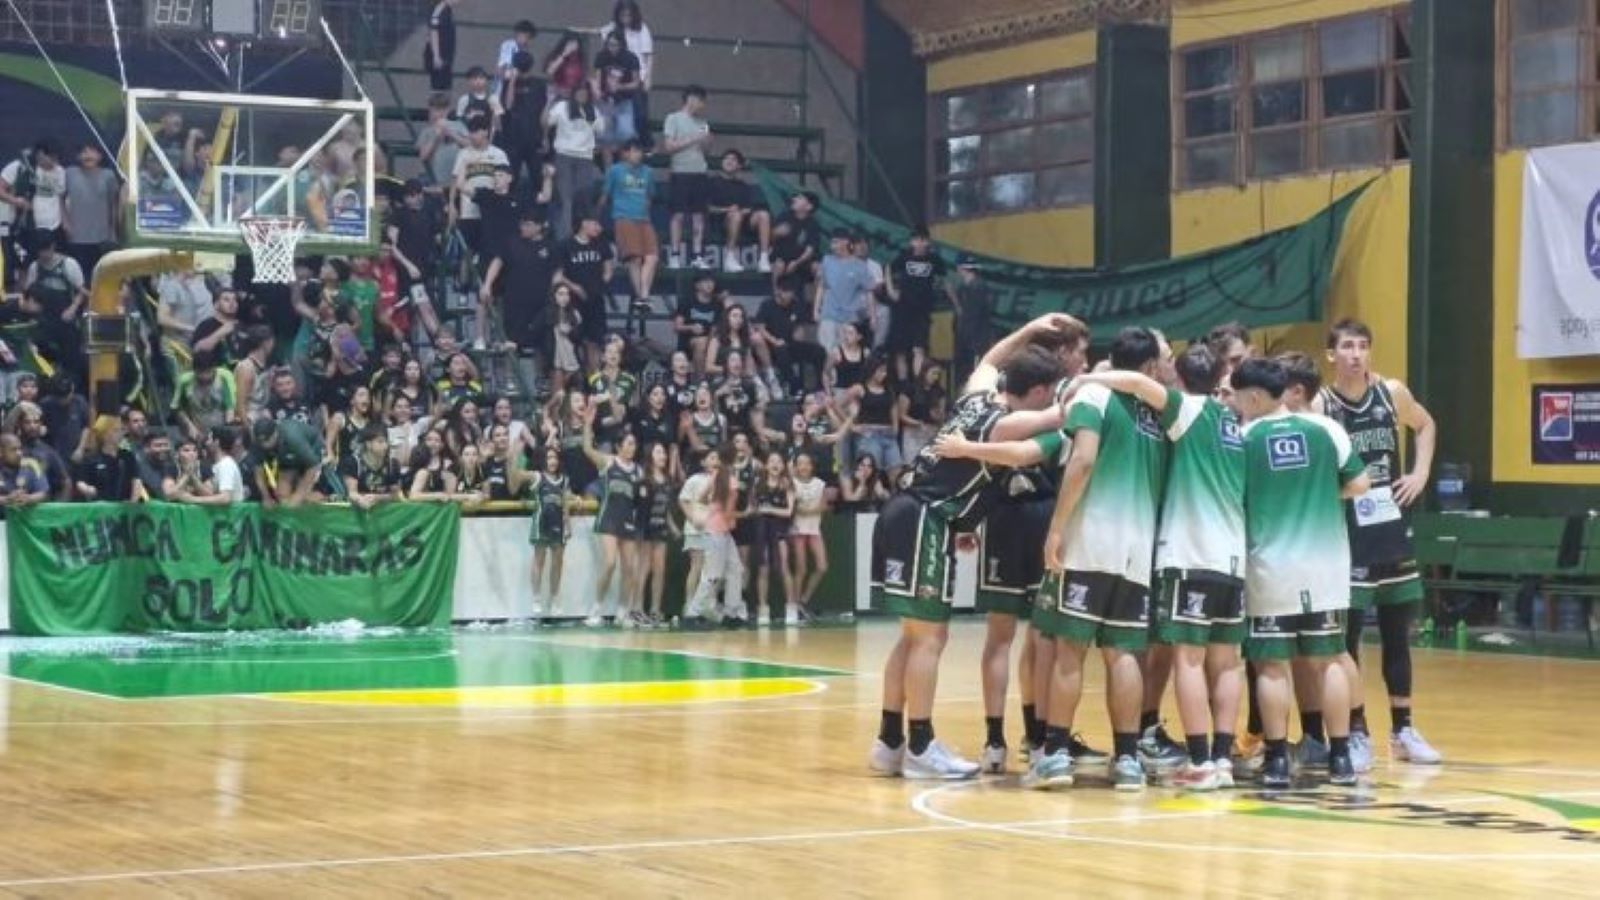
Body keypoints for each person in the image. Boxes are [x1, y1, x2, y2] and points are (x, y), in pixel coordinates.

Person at [867, 314, 1074, 780]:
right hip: (926, 519)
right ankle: (920, 745)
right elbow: (1062, 416)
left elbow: (990, 359)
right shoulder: (1004, 424)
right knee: (930, 638)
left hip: (902, 510)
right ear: (1039, 389)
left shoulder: (974, 398)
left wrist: (1030, 330)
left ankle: (889, 741)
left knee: (913, 635)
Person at [1070, 343, 1247, 791]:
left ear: (1181, 379)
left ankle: (1202, 761)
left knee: (1188, 660)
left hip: (1191, 554)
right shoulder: (1234, 423)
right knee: (1226, 663)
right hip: (1232, 557)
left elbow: (1136, 383)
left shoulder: (1187, 409)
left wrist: (1091, 379)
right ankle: (1224, 760)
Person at [1005, 327, 1175, 793]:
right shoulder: (1158, 414)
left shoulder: (1094, 397)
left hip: (1090, 539)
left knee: (1069, 648)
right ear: (1149, 368)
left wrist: (1056, 528)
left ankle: (1055, 754)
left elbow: (1081, 461)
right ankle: (1127, 759)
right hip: (1137, 547)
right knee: (1123, 653)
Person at [1233, 357, 1371, 789]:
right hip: (1327, 567)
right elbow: (1361, 483)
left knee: (1272, 665)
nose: (1236, 405)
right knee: (1328, 661)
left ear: (1255, 396)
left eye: (1238, 397)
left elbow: (1233, 498)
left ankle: (1276, 759)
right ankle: (1342, 758)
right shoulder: (1327, 429)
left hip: (1270, 568)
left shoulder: (1243, 438)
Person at [1314, 319, 1442, 765]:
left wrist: (1421, 472)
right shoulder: (1321, 405)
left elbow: (1425, 426)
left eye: (1363, 346)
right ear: (1331, 355)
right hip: (1347, 531)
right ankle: (1355, 729)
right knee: (1348, 640)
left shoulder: (1392, 393)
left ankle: (1403, 730)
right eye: (1347, 346)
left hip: (1391, 525)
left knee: (1397, 634)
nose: (1356, 354)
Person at [581, 409, 643, 627]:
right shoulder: (609, 462)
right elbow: (587, 449)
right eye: (628, 443)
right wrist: (588, 424)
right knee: (609, 563)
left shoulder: (638, 471)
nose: (631, 447)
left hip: (628, 520)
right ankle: (596, 608)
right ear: (619, 446)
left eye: (634, 444)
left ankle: (623, 612)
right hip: (608, 518)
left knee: (630, 568)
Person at [683, 444, 747, 627]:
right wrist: (744, 514)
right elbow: (728, 513)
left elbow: (702, 498)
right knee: (712, 574)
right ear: (734, 459)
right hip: (718, 531)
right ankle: (693, 613)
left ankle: (731, 612)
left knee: (735, 568)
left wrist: (714, 507)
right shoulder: (732, 482)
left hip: (719, 530)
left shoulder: (716, 476)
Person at [481, 210, 557, 354]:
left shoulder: (551, 246)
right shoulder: (512, 243)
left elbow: (558, 271)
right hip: (515, 303)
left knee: (541, 345)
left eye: (528, 225)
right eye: (522, 224)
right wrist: (487, 284)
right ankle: (510, 377)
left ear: (539, 226)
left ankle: (539, 376)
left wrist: (553, 293)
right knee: (511, 342)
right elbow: (497, 262)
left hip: (541, 304)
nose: (523, 228)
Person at [885, 228, 950, 382]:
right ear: (911, 242)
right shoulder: (903, 257)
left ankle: (918, 386)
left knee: (919, 348)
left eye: (923, 240)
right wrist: (891, 290)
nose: (920, 243)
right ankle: (903, 386)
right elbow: (888, 268)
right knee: (900, 351)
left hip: (923, 310)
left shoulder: (934, 259)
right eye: (916, 240)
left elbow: (944, 279)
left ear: (928, 242)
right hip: (903, 309)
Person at [600, 139, 660, 304]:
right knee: (634, 258)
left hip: (644, 220)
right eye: (634, 151)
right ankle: (642, 296)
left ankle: (644, 293)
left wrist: (645, 210)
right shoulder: (615, 170)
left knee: (652, 257)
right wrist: (597, 215)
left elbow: (650, 195)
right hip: (624, 218)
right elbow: (605, 195)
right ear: (625, 153)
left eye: (639, 151)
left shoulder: (648, 172)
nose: (637, 155)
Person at [555, 212, 616, 368]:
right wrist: (574, 287)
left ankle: (594, 380)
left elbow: (608, 269)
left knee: (595, 341)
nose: (599, 228)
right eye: (596, 224)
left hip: (595, 300)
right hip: (573, 301)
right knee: (573, 340)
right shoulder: (566, 245)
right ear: (584, 223)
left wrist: (601, 284)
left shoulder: (602, 245)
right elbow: (558, 276)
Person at [548, 83, 604, 248]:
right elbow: (547, 122)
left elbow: (601, 129)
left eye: (585, 93)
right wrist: (549, 101)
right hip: (564, 156)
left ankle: (583, 237)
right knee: (566, 200)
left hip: (585, 158)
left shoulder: (593, 109)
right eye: (579, 92)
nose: (582, 95)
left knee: (584, 199)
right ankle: (564, 239)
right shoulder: (562, 107)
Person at [663, 86, 714, 270]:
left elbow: (707, 151)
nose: (702, 105)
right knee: (677, 215)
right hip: (680, 172)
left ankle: (697, 255)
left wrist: (707, 141)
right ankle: (675, 254)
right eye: (701, 101)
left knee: (698, 216)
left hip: (700, 172)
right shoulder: (673, 118)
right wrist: (694, 139)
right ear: (691, 99)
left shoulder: (703, 122)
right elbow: (669, 147)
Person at [449, 116, 509, 260]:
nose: (472, 135)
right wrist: (452, 204)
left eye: (476, 131)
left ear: (485, 132)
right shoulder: (463, 154)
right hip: (468, 211)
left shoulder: (498, 154)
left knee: (488, 250)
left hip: (490, 212)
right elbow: (455, 181)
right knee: (467, 250)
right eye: (471, 131)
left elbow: (506, 180)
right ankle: (465, 282)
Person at [600, 1, 655, 147]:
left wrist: (648, 77)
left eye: (629, 14)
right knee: (616, 116)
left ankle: (645, 144)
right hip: (617, 78)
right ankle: (623, 148)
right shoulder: (612, 28)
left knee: (640, 114)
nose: (626, 17)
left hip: (638, 77)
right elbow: (601, 32)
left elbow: (648, 54)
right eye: (622, 14)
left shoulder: (641, 28)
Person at [708, 149, 772, 274]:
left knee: (764, 215)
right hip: (720, 221)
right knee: (735, 215)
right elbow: (706, 208)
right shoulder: (712, 182)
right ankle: (730, 258)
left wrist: (743, 211)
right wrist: (727, 210)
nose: (729, 161)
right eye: (726, 158)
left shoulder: (743, 186)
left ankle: (764, 258)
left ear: (739, 166)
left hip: (742, 221)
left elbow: (748, 208)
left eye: (733, 159)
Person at [751, 449, 795, 625]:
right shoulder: (758, 484)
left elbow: (789, 511)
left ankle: (791, 607)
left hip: (779, 531)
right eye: (772, 461)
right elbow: (753, 507)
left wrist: (769, 509)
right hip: (762, 531)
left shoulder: (787, 485)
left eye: (779, 461)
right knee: (763, 569)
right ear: (766, 465)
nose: (775, 464)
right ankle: (763, 608)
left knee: (784, 567)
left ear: (783, 465)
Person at [635, 442, 677, 626]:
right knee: (644, 567)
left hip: (661, 528)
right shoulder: (644, 480)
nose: (663, 456)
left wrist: (673, 526)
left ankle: (655, 609)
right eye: (659, 452)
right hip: (646, 528)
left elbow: (666, 508)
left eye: (664, 452)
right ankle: (637, 608)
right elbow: (640, 508)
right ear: (650, 455)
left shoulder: (667, 481)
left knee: (660, 569)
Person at [62, 143, 118, 278]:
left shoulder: (108, 175)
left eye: (92, 151)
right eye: (84, 152)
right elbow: (59, 199)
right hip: (76, 236)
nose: (88, 155)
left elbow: (114, 204)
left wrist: (113, 230)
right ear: (78, 156)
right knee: (79, 276)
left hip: (102, 237)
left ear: (100, 156)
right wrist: (66, 222)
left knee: (101, 276)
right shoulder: (69, 173)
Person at [529, 445, 572, 617]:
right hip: (541, 521)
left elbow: (566, 503)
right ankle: (536, 597)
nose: (552, 461)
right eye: (548, 457)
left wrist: (568, 524)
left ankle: (555, 598)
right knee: (539, 559)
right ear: (543, 460)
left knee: (558, 561)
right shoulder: (538, 477)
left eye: (554, 457)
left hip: (558, 523)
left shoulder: (564, 480)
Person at [814, 230, 874, 354]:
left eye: (835, 242)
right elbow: (821, 287)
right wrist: (816, 310)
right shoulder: (827, 260)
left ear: (845, 242)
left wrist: (872, 316)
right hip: (828, 315)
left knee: (845, 353)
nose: (832, 246)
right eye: (832, 242)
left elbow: (869, 292)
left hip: (849, 318)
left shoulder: (860, 266)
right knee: (827, 353)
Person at [592, 29, 643, 168]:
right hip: (605, 101)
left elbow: (636, 83)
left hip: (624, 101)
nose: (612, 48)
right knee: (605, 137)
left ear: (621, 45)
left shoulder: (631, 58)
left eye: (615, 45)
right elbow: (597, 77)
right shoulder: (602, 56)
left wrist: (620, 86)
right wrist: (597, 90)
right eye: (609, 44)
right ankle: (609, 173)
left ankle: (623, 169)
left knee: (626, 134)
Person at [787, 451, 828, 623]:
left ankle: (803, 601)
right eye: (800, 463)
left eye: (807, 463)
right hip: (797, 529)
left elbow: (823, 506)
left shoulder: (820, 484)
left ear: (812, 466)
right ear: (795, 467)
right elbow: (793, 508)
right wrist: (806, 509)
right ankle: (794, 607)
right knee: (801, 568)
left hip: (814, 529)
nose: (803, 467)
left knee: (822, 566)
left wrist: (807, 510)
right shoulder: (791, 483)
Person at [250, 417, 325, 508]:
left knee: (301, 498)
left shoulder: (292, 437)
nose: (264, 445)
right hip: (287, 456)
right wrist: (266, 497)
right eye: (261, 442)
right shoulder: (257, 442)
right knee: (282, 495)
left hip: (313, 451)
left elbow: (313, 466)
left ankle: (323, 499)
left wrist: (298, 496)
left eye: (267, 441)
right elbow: (258, 473)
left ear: (275, 433)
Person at [678, 447, 717, 607]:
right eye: (712, 458)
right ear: (703, 462)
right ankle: (689, 604)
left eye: (717, 458)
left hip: (714, 530)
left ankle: (706, 605)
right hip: (696, 529)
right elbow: (682, 500)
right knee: (697, 566)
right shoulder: (694, 479)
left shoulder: (722, 481)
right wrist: (693, 519)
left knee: (712, 570)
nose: (716, 461)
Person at [71, 415, 135, 502]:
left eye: (121, 430)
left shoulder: (127, 457)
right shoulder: (91, 459)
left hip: (123, 510)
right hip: (100, 510)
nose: (121, 434)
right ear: (105, 435)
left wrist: (133, 500)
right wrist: (87, 489)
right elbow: (80, 482)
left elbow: (136, 481)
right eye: (116, 430)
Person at [950, 259, 992, 388]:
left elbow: (972, 315)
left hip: (973, 340)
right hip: (965, 339)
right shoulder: (964, 288)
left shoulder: (978, 288)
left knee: (970, 375)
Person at [417, 93, 470, 192]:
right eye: (436, 109)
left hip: (457, 178)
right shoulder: (426, 131)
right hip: (436, 179)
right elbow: (423, 156)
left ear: (448, 109)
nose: (440, 113)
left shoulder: (458, 125)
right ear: (431, 110)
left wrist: (452, 134)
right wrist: (436, 137)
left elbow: (470, 145)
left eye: (443, 109)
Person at [0, 433, 48, 512]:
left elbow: (43, 493)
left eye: (20, 449)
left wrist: (28, 498)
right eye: (13, 450)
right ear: (1, 452)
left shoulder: (31, 465)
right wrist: (7, 499)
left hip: (25, 519)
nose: (19, 453)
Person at [495, 19, 539, 100]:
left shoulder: (526, 51)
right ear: (519, 34)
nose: (527, 41)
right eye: (526, 37)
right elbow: (501, 70)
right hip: (503, 90)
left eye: (529, 38)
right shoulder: (509, 45)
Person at [453, 66, 504, 133]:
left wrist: (494, 115)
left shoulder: (493, 99)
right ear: (469, 81)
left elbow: (498, 127)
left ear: (486, 80)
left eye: (481, 78)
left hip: (486, 138)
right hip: (467, 138)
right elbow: (459, 123)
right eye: (475, 78)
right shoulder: (464, 99)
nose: (478, 81)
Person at [423, 0, 458, 91]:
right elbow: (433, 32)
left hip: (446, 56)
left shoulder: (447, 10)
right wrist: (436, 56)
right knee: (438, 87)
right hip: (440, 57)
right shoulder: (438, 10)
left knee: (446, 86)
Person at [544, 31, 589, 99]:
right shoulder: (557, 56)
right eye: (570, 43)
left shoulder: (580, 59)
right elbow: (550, 71)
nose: (572, 46)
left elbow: (583, 77)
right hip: (557, 93)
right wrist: (564, 54)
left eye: (575, 43)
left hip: (574, 95)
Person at [211, 425, 246, 504]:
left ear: (216, 442)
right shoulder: (219, 464)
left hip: (232, 516)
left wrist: (192, 499)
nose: (207, 442)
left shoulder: (226, 465)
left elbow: (225, 498)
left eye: (209, 439)